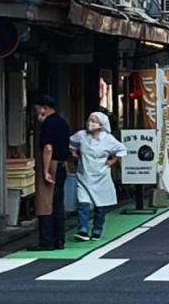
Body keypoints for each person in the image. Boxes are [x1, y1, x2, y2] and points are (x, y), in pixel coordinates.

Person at [70, 111, 123, 242]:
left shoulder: (108, 138)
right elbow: (71, 143)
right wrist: (74, 153)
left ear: (101, 124)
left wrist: (112, 160)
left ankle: (97, 230)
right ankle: (82, 229)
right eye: (89, 120)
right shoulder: (81, 135)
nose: (90, 123)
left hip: (101, 176)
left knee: (101, 205)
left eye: (94, 121)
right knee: (83, 203)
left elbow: (122, 149)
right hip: (84, 175)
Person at [32, 94, 72, 250]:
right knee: (57, 205)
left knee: (45, 203)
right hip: (62, 165)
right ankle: (59, 240)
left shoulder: (48, 124)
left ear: (45, 108)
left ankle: (46, 241)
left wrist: (47, 170)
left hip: (51, 165)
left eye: (37, 109)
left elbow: (48, 148)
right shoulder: (63, 123)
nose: (36, 113)